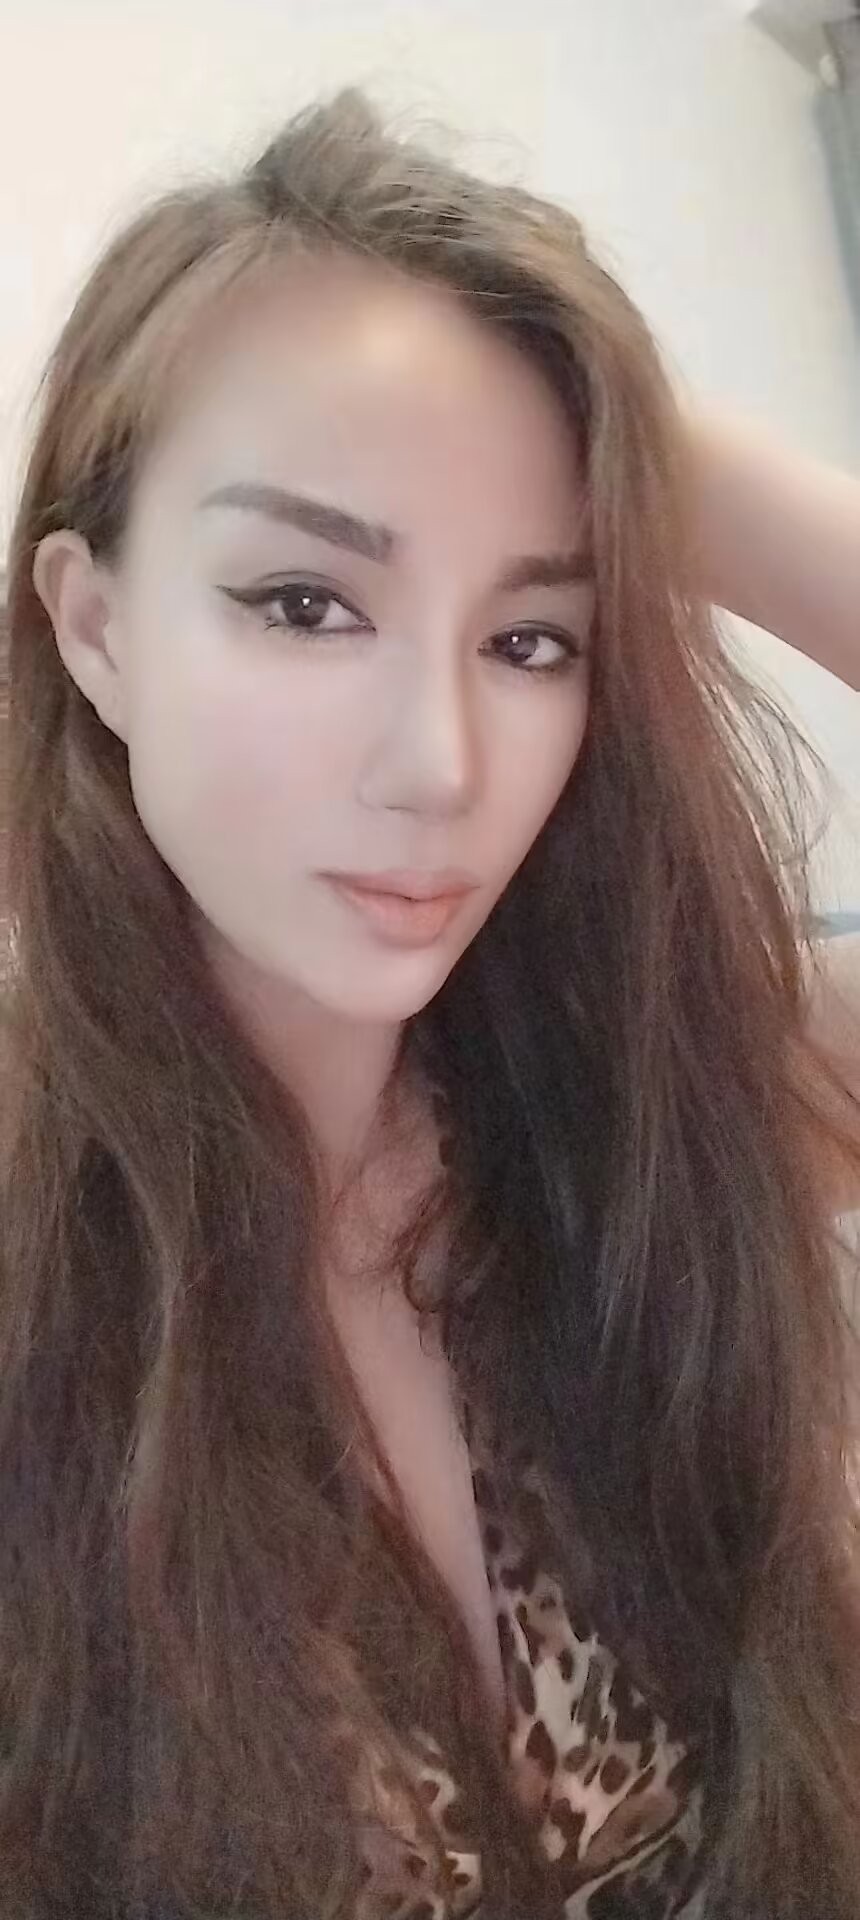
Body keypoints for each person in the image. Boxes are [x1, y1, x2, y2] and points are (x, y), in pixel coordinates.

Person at [2, 85, 859, 1920]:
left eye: (531, 637)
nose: (442, 764)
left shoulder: (639, 1109)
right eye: (305, 602)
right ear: (95, 628)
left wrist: (646, 448)